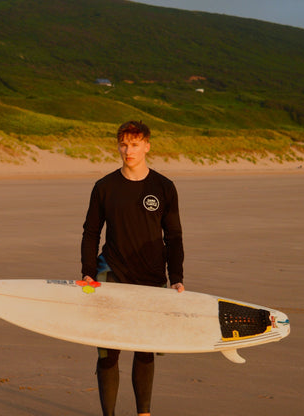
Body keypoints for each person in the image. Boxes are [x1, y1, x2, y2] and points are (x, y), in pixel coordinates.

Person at [81, 120, 184, 416]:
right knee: (108, 352)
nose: (129, 150)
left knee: (144, 349)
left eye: (135, 144)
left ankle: (144, 414)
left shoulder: (164, 187)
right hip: (112, 273)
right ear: (118, 145)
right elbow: (91, 232)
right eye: (124, 144)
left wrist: (176, 278)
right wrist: (88, 272)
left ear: (147, 146)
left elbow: (174, 236)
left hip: (151, 277)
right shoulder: (105, 187)